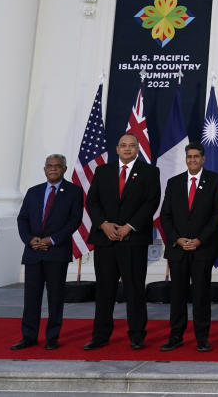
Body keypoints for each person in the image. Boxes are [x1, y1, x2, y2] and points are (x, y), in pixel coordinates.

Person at [84, 134, 161, 351]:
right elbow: (92, 201)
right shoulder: (103, 171)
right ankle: (100, 336)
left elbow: (151, 202)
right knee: (104, 291)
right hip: (105, 239)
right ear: (117, 149)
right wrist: (103, 224)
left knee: (135, 290)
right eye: (123, 146)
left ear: (138, 149)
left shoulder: (150, 172)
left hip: (133, 240)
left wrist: (129, 227)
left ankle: (137, 335)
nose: (127, 149)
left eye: (132, 146)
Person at [11, 154, 83, 351]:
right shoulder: (33, 192)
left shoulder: (74, 192)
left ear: (64, 169)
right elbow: (22, 219)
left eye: (57, 166)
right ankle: (29, 337)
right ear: (44, 169)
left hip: (56, 252)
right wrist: (30, 240)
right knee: (31, 298)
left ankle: (52, 337)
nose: (53, 169)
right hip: (33, 251)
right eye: (50, 166)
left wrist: (51, 240)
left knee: (55, 298)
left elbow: (74, 221)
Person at [158, 142, 218, 353]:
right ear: (186, 159)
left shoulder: (215, 181)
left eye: (197, 156)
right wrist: (177, 239)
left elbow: (217, 215)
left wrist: (199, 240)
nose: (193, 160)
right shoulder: (174, 182)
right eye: (189, 157)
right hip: (178, 249)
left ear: (203, 159)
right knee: (177, 295)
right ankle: (175, 336)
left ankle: (202, 338)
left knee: (201, 295)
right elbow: (165, 216)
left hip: (202, 248)